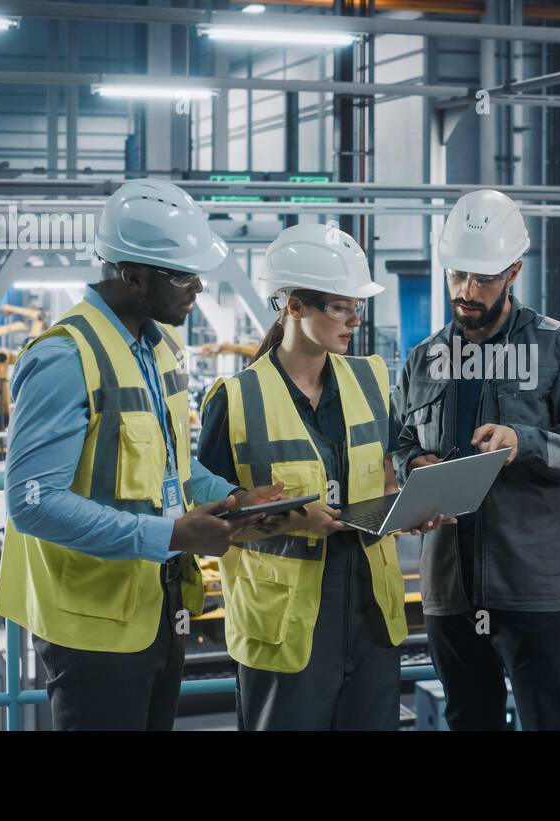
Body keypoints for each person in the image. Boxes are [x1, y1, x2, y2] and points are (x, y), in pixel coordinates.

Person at [0, 179, 281, 731]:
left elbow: (174, 468)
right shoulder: (63, 357)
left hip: (159, 606)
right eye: (183, 275)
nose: (198, 286)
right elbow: (32, 503)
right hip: (92, 629)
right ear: (131, 275)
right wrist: (172, 536)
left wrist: (233, 498)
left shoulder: (160, 350)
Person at [197, 222, 447, 730]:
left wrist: (410, 502)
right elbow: (205, 524)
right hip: (284, 625)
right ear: (293, 306)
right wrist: (290, 521)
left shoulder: (372, 378)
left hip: (370, 616)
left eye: (358, 306)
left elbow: (388, 474)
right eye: (341, 306)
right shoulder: (236, 398)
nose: (355, 319)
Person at [392, 189, 560, 730]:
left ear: (513, 270)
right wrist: (412, 465)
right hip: (449, 586)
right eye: (457, 276)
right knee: (470, 720)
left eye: (484, 278)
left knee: (549, 721)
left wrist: (525, 443)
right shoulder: (422, 361)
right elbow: (398, 440)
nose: (467, 291)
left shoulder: (559, 348)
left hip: (531, 584)